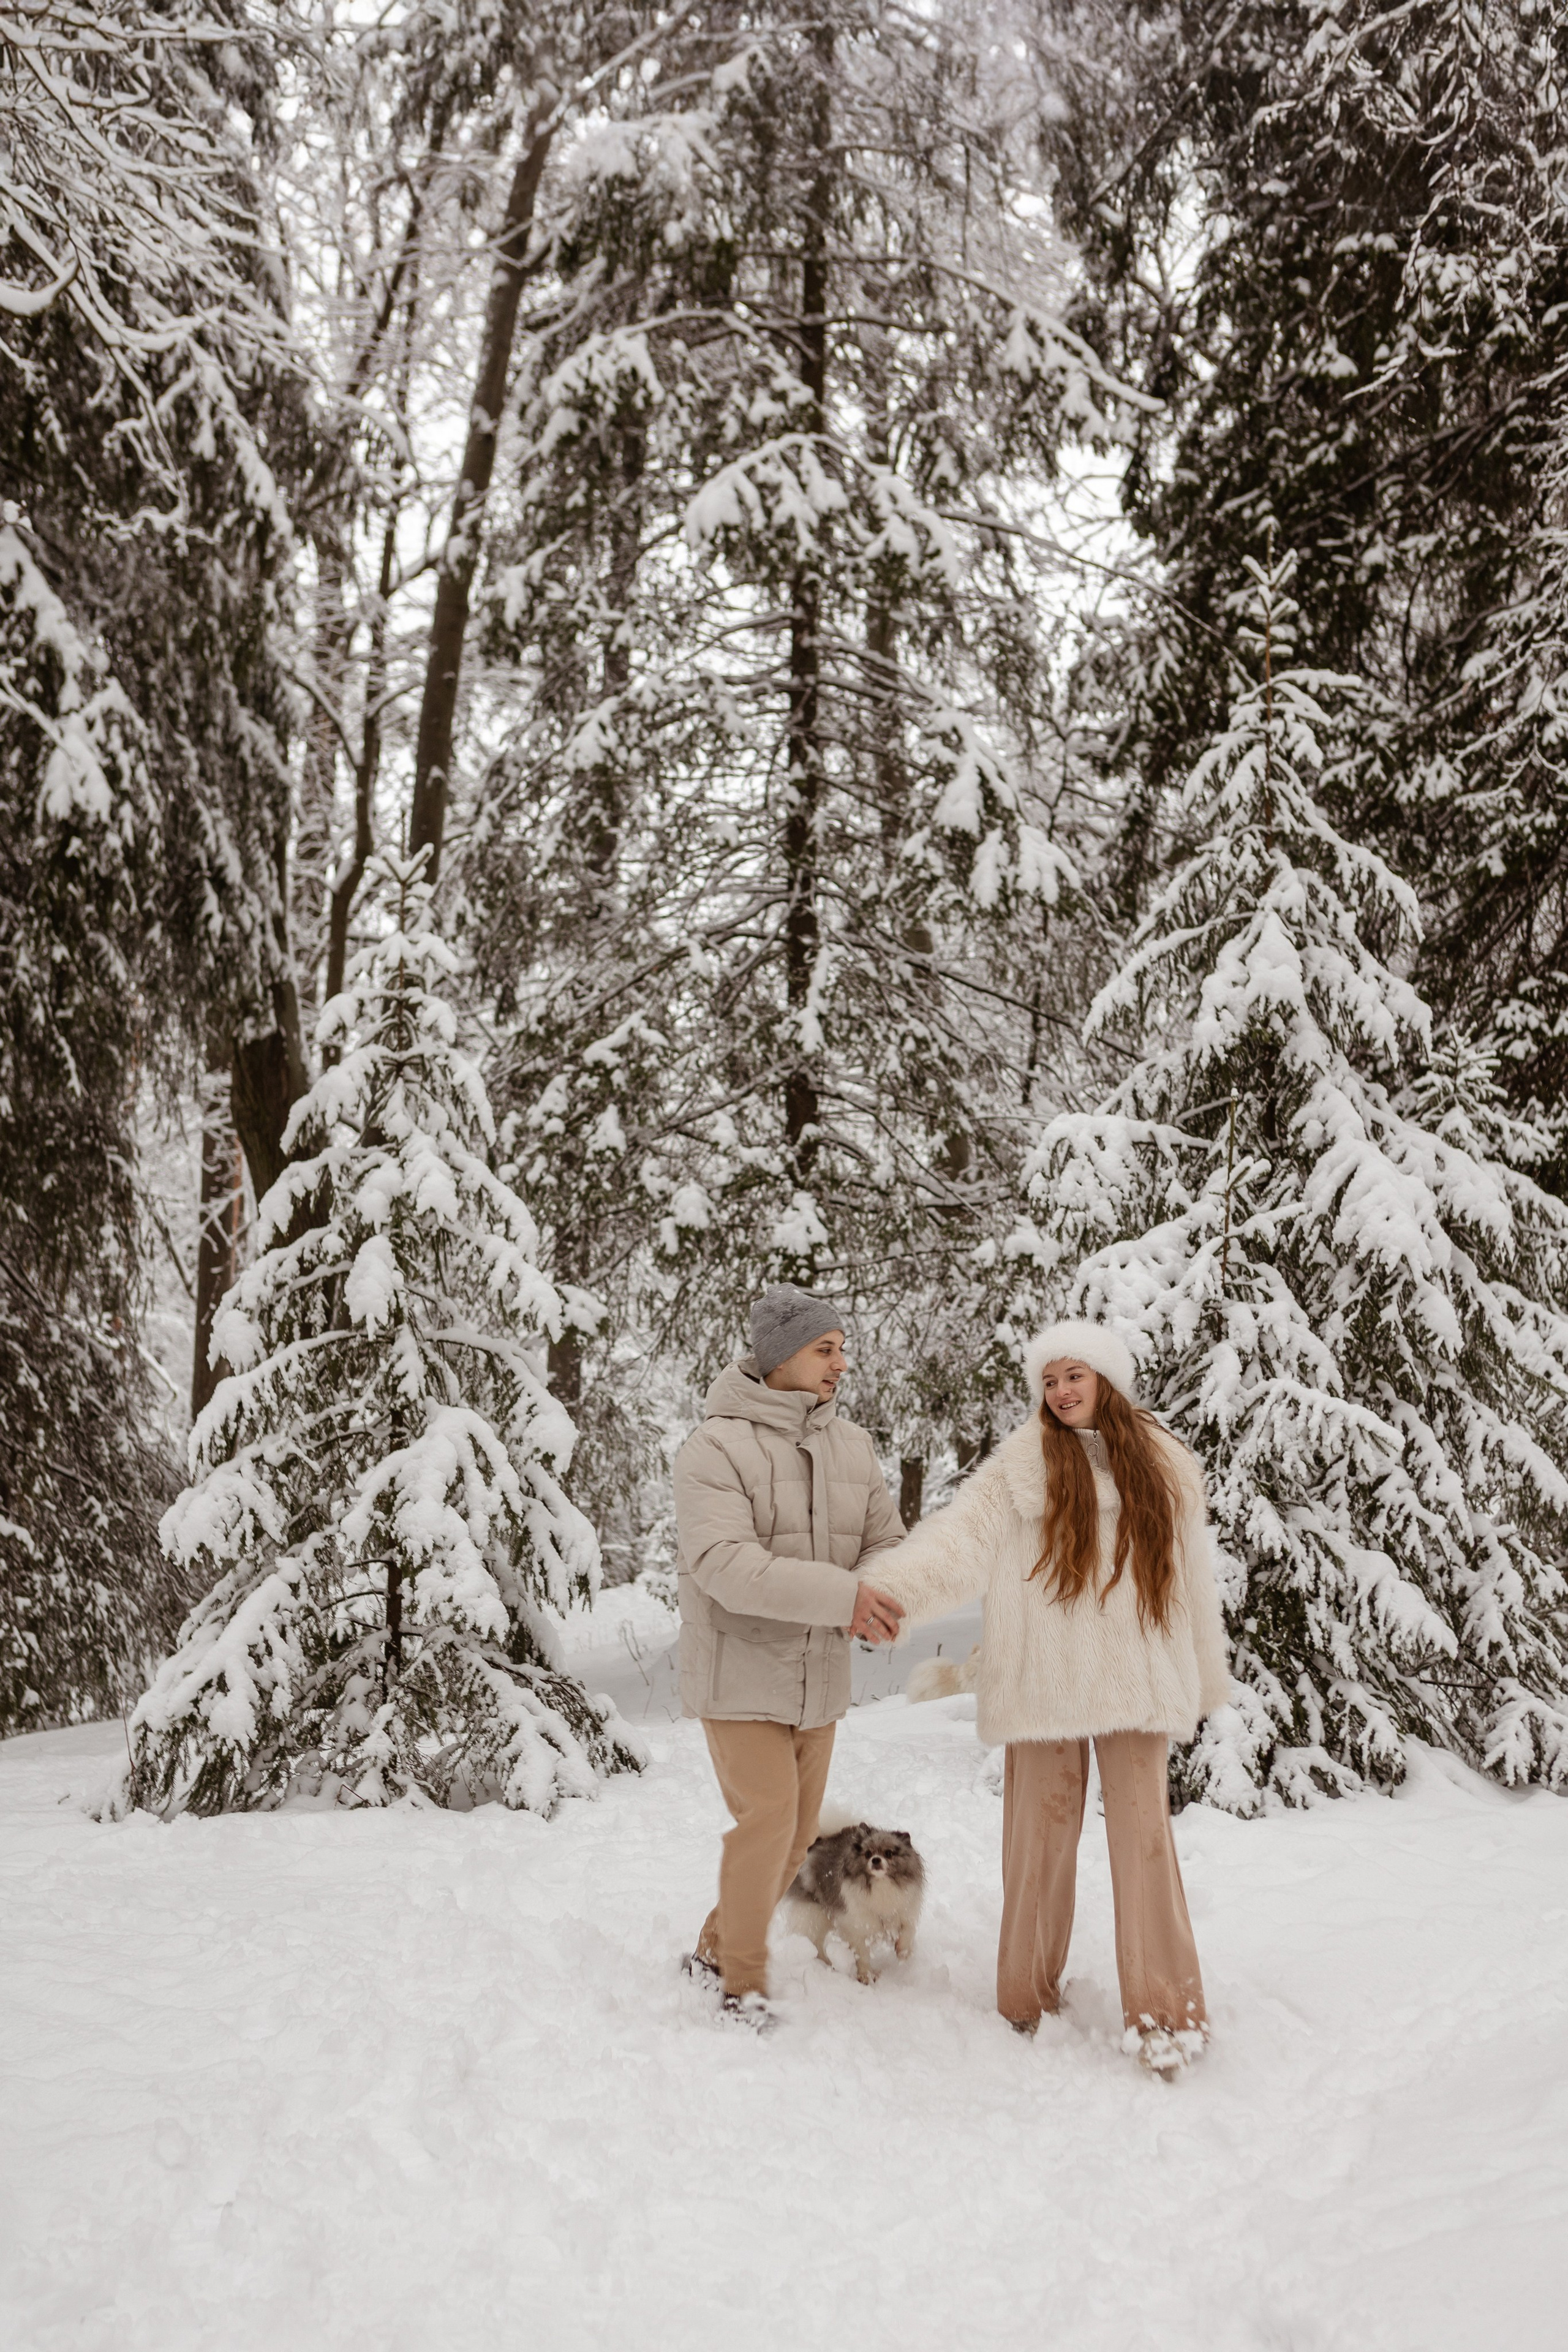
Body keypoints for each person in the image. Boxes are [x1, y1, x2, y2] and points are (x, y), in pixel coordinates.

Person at [873, 1319, 1231, 2075]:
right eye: (1049, 1380)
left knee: (1146, 1849)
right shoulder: (1021, 1466)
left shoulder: (1163, 1464)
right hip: (1043, 1683)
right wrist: (890, 1594)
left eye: (1074, 1375)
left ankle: (1164, 2012)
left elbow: (1195, 1579)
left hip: (1136, 1683)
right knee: (1036, 1847)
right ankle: (1024, 2000)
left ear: (1106, 1379)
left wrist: (1202, 1674)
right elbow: (955, 1544)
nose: (1062, 1391)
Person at [673, 1285, 906, 2027]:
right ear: (780, 1357)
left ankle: (713, 1945)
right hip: (739, 1673)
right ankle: (739, 1983)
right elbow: (725, 1565)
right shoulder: (712, 1448)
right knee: (769, 1820)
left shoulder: (853, 1445)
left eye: (842, 1348)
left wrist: (883, 1595)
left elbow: (885, 1543)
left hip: (819, 1680)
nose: (841, 1363)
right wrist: (845, 1599)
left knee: (796, 1836)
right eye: (825, 1349)